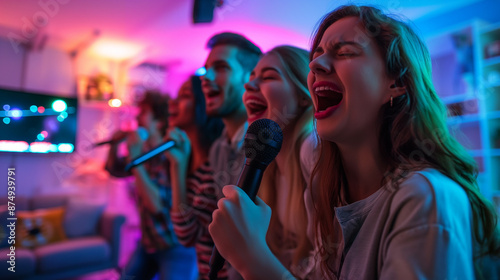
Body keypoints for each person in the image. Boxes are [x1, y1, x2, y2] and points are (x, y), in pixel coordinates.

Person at [208, 5, 500, 280]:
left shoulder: (424, 199)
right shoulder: (325, 192)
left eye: (344, 52)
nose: (317, 64)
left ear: (396, 83)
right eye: (317, 55)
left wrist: (253, 259)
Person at [105, 91, 198, 280]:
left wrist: (135, 158)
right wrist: (114, 145)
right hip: (149, 242)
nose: (138, 116)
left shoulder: (169, 155)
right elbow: (114, 170)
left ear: (159, 122)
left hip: (174, 245)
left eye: (144, 112)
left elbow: (156, 205)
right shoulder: (145, 151)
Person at [242, 45, 316, 277]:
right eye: (252, 77)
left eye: (269, 77)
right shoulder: (268, 162)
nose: (249, 85)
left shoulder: (314, 149)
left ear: (304, 97)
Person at [164, 76, 226, 279]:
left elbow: (186, 235)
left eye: (184, 96)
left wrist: (178, 166)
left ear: (202, 104)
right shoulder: (191, 163)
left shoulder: (215, 168)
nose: (172, 102)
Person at [201, 32, 262, 192]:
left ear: (251, 78)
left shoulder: (266, 145)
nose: (205, 77)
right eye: (206, 69)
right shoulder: (217, 149)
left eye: (221, 67)